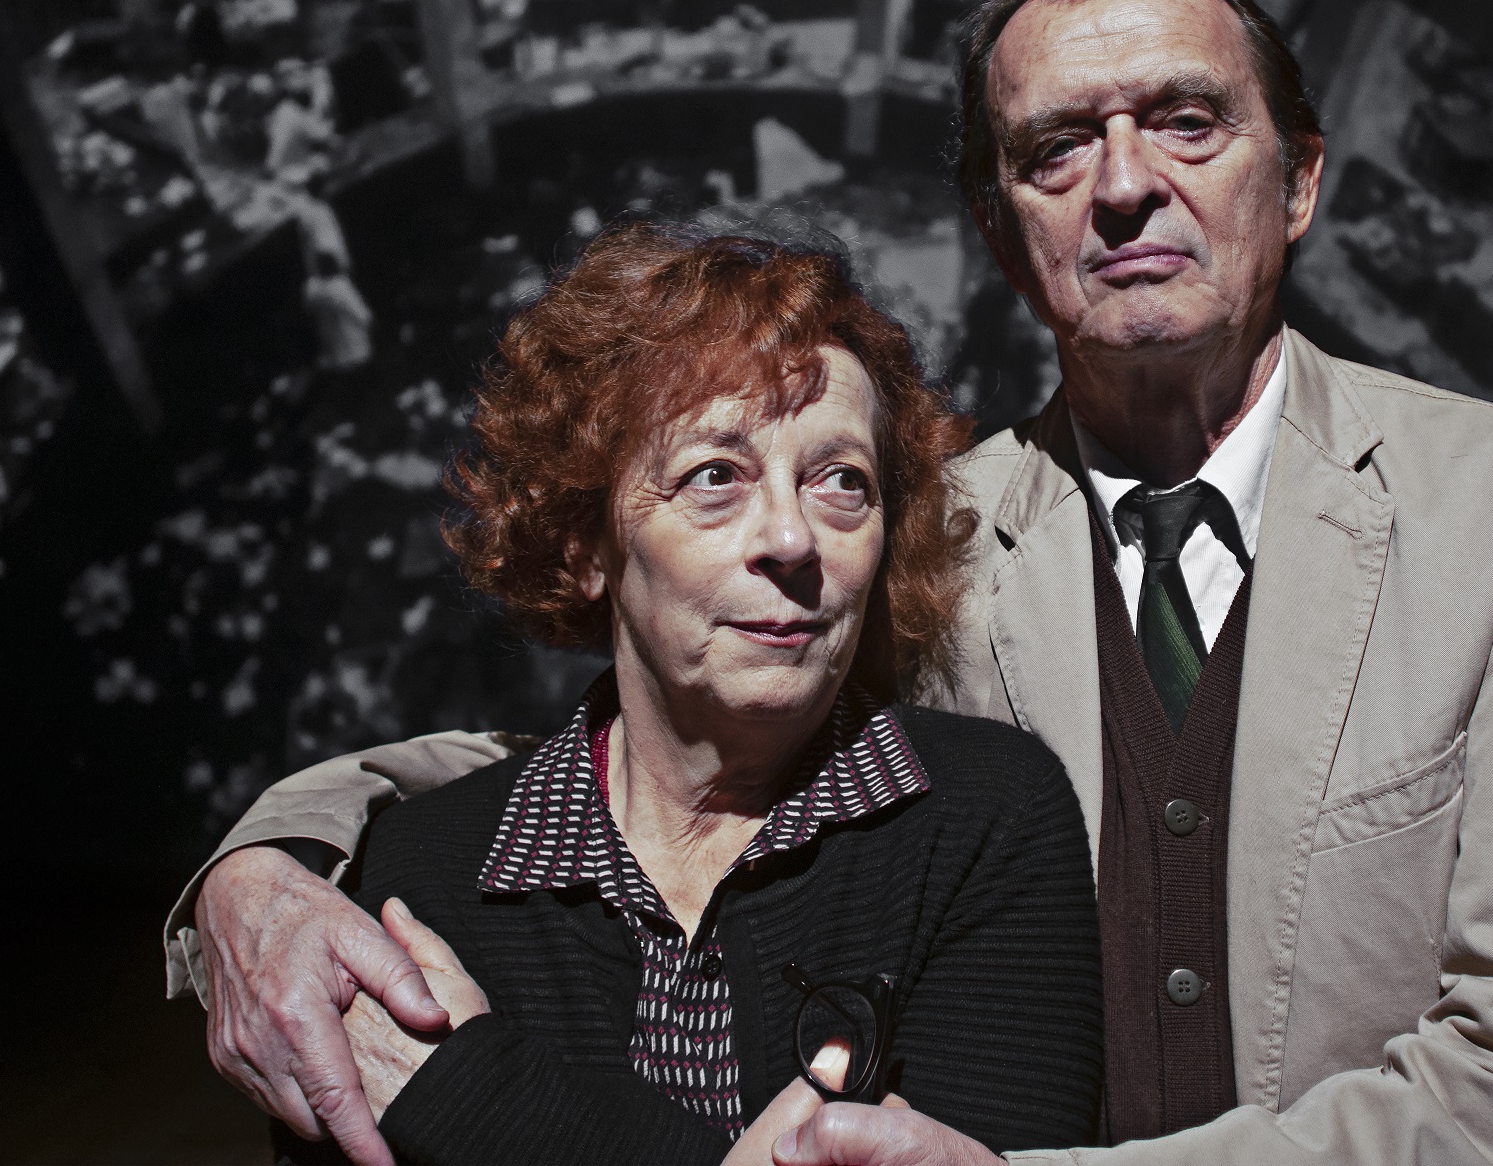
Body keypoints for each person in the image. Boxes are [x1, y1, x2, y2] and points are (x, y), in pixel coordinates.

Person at [169, 0, 1493, 1165]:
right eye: (1058, 148)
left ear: (1302, 179)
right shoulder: (917, 525)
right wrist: (256, 871)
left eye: (1187, 122)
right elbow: (652, 732)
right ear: (1006, 235)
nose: (1124, 184)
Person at [219, 225, 1103, 1164]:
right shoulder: (420, 879)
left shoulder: (986, 819)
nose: (792, 540)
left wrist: (468, 1091)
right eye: (715, 476)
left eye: (842, 482)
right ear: (584, 545)